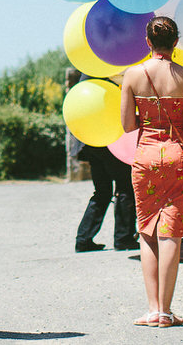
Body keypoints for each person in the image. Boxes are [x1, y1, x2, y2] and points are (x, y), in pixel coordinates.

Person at [118, 17, 183, 328]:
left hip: (145, 159)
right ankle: (167, 312)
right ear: (175, 42)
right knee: (172, 233)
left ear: (148, 42)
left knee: (147, 232)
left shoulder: (132, 75)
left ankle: (153, 309)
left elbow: (129, 125)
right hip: (180, 160)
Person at [67, 70, 136, 253]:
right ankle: (123, 237)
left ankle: (83, 239)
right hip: (107, 139)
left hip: (91, 140)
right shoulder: (109, 69)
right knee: (125, 187)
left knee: (102, 191)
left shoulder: (89, 68)